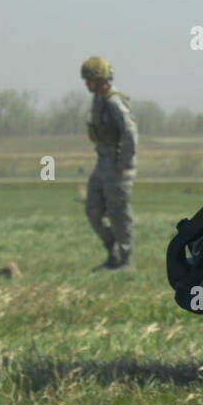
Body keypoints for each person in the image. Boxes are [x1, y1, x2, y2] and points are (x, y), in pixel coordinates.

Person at [80, 57, 137, 271]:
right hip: (102, 163)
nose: (87, 84)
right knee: (93, 210)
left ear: (100, 79)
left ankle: (126, 261)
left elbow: (130, 132)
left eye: (89, 80)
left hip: (117, 165)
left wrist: (125, 163)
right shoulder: (98, 99)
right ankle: (113, 254)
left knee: (119, 213)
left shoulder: (113, 102)